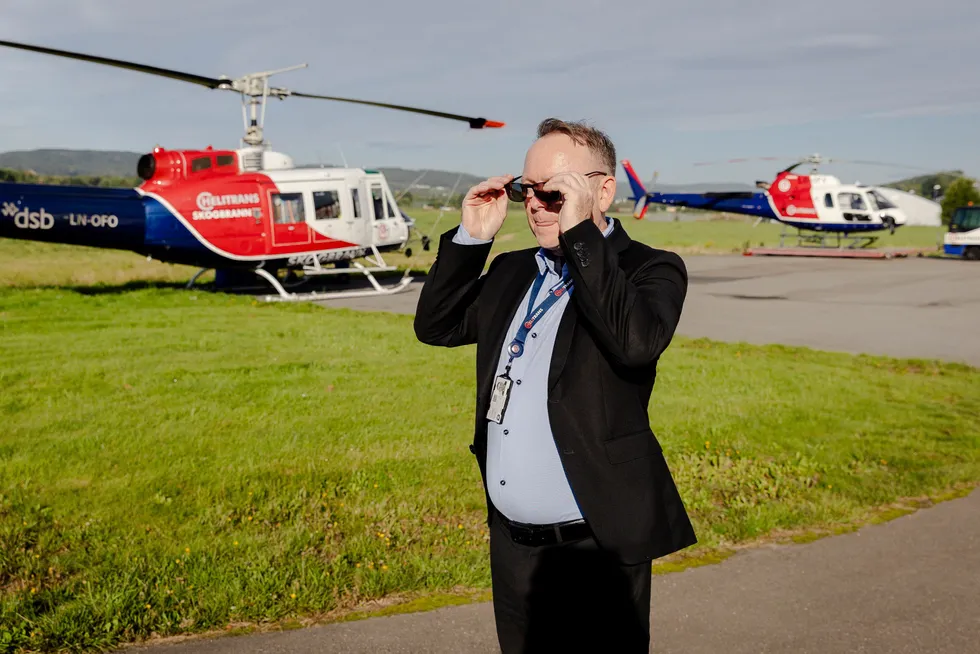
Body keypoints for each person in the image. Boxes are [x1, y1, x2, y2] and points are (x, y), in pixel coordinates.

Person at [414, 118, 696, 653]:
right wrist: (473, 237)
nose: (536, 205)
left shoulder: (650, 269)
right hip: (514, 544)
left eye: (553, 191)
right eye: (527, 191)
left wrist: (581, 234)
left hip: (597, 543)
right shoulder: (514, 270)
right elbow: (437, 326)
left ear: (603, 190)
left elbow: (634, 342)